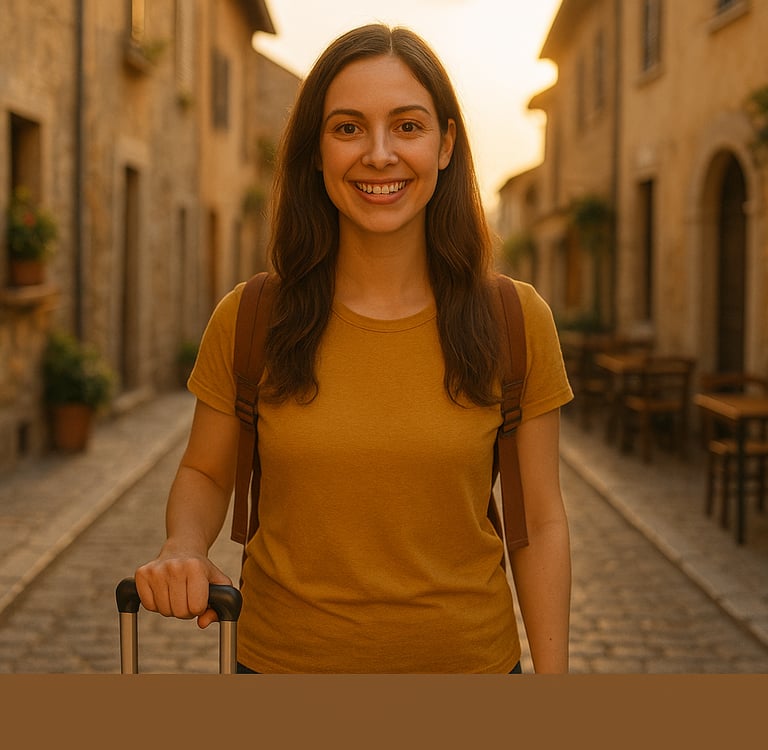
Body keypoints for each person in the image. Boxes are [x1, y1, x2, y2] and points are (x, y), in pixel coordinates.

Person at [135, 23, 573, 674]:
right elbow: (204, 471)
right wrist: (184, 542)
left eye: (407, 126)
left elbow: (539, 521)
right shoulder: (253, 317)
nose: (378, 154)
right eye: (347, 128)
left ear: (446, 144)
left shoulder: (514, 319)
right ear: (316, 151)